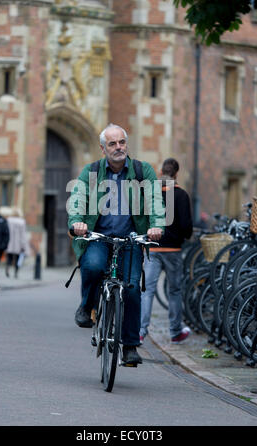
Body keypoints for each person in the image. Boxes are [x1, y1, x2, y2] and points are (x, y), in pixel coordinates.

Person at [67, 124, 164, 365]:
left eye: (121, 142)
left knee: (131, 288)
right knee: (92, 266)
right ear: (103, 149)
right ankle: (87, 305)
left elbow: (155, 201)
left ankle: (130, 346)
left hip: (131, 239)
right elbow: (77, 200)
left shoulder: (143, 171)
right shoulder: (90, 172)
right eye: (112, 144)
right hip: (99, 236)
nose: (118, 147)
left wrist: (157, 226)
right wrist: (77, 222)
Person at [140, 158, 193, 344]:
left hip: (152, 248)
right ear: (176, 174)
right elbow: (187, 226)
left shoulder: (151, 193)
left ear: (161, 171)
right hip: (173, 249)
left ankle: (140, 330)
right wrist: (184, 235)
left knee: (147, 291)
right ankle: (175, 331)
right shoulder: (181, 195)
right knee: (175, 291)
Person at [6, 207, 28, 278]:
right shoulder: (22, 222)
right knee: (18, 259)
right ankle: (16, 272)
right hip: (18, 243)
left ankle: (8, 268)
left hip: (9, 242)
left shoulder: (8, 220)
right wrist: (24, 246)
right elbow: (23, 235)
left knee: (9, 257)